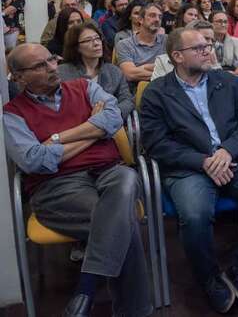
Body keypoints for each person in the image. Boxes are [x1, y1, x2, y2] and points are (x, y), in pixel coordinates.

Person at [141, 28, 238, 313]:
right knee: (195, 215)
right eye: (199, 48)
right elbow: (156, 143)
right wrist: (203, 161)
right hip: (189, 167)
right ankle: (209, 279)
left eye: (208, 45)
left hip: (234, 158)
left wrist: (227, 150)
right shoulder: (156, 93)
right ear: (177, 56)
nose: (208, 51)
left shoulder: (226, 81)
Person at [4, 43, 151, 317]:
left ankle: (86, 289)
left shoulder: (84, 87)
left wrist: (57, 139)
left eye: (51, 59)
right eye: (40, 66)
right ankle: (131, 310)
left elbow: (113, 118)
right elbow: (36, 161)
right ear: (20, 77)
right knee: (122, 219)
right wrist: (94, 131)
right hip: (59, 185)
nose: (52, 68)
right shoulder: (13, 114)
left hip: (108, 170)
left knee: (127, 177)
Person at [58, 23, 134, 121]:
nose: (96, 43)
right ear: (76, 47)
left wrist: (109, 114)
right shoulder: (62, 72)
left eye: (98, 38)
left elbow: (127, 100)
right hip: (75, 124)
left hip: (109, 123)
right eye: (88, 40)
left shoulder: (114, 71)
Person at [116, 3, 167, 91]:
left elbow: (178, 69)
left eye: (160, 17)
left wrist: (142, 68)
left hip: (165, 90)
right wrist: (162, 71)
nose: (157, 19)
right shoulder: (125, 44)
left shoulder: (167, 40)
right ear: (140, 19)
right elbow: (130, 74)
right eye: (152, 15)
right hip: (136, 92)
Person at [152, 20, 220, 80]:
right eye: (205, 38)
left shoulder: (212, 60)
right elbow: (159, 87)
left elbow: (222, 85)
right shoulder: (162, 61)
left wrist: (215, 65)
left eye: (212, 40)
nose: (209, 43)